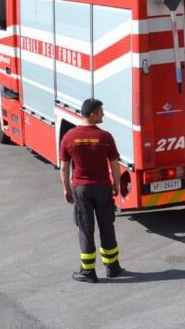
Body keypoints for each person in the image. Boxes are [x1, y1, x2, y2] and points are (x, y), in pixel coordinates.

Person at [59, 98, 126, 282]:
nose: (103, 114)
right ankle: (112, 267)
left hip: (81, 190)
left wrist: (67, 189)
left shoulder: (69, 137)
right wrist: (116, 185)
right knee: (107, 226)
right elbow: (114, 165)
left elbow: (64, 168)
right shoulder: (105, 137)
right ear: (92, 114)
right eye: (101, 111)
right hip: (102, 188)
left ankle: (88, 271)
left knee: (86, 228)